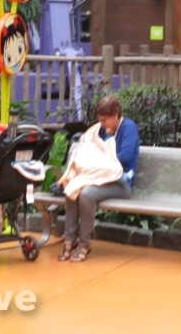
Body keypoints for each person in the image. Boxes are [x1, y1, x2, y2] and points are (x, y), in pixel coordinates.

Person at [59, 95, 139, 263]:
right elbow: (88, 150)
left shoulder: (128, 127)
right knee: (73, 187)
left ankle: (84, 244)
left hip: (120, 183)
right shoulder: (100, 131)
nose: (102, 124)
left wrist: (98, 158)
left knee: (87, 194)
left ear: (116, 115)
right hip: (96, 178)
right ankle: (69, 240)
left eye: (105, 120)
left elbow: (124, 158)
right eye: (100, 120)